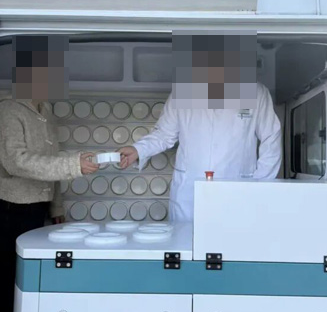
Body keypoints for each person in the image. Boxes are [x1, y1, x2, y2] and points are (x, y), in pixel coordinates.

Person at [0, 42, 98, 312]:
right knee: (4, 289)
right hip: (9, 210)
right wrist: (74, 165)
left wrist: (56, 206)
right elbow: (16, 161)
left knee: (26, 288)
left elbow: (50, 161)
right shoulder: (7, 110)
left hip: (35, 210)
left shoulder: (44, 111)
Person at [118, 81, 282, 222]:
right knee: (185, 243)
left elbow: (271, 137)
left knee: (234, 243)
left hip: (238, 192)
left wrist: (259, 186)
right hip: (188, 195)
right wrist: (138, 150)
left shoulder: (255, 92)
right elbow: (164, 134)